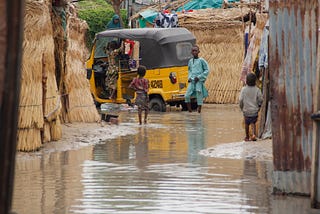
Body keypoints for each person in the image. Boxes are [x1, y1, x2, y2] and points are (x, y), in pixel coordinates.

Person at [184, 45, 209, 113]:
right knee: (187, 95)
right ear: (191, 52)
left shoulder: (202, 60)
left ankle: (199, 111)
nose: (194, 52)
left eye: (196, 51)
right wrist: (189, 77)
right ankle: (190, 111)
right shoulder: (190, 61)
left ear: (198, 52)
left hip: (198, 80)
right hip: (192, 80)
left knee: (199, 94)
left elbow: (207, 70)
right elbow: (189, 70)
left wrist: (199, 77)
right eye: (193, 51)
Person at [239, 73, 263, 141]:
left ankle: (247, 136)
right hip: (254, 111)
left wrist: (241, 108)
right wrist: (259, 106)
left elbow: (240, 100)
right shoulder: (257, 90)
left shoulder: (243, 89)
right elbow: (261, 99)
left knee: (246, 123)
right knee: (253, 122)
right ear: (255, 81)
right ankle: (253, 134)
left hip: (246, 111)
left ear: (246, 81)